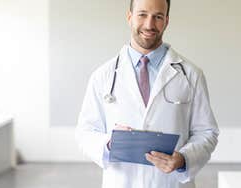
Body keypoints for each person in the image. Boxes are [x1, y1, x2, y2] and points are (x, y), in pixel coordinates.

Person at [75, 0, 219, 187]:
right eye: (142, 14)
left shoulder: (191, 75)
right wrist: (109, 144)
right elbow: (86, 132)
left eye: (158, 17)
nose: (149, 25)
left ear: (166, 21)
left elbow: (206, 132)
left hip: (169, 182)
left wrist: (183, 159)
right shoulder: (102, 76)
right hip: (123, 181)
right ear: (129, 17)